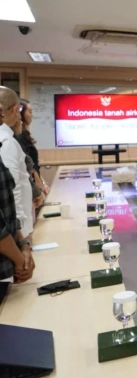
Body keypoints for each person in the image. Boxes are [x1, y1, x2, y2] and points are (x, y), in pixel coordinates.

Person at [0, 103, 35, 284]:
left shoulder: (5, 141)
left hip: (12, 252)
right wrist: (20, 258)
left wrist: (23, 243)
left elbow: (9, 204)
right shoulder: (6, 143)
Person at [0, 87, 34, 238]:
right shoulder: (6, 141)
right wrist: (19, 235)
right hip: (15, 231)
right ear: (14, 109)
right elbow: (13, 188)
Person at [11, 117, 44, 218]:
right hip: (20, 199)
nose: (21, 122)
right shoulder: (12, 140)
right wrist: (36, 191)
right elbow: (23, 172)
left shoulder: (19, 137)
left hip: (27, 194)